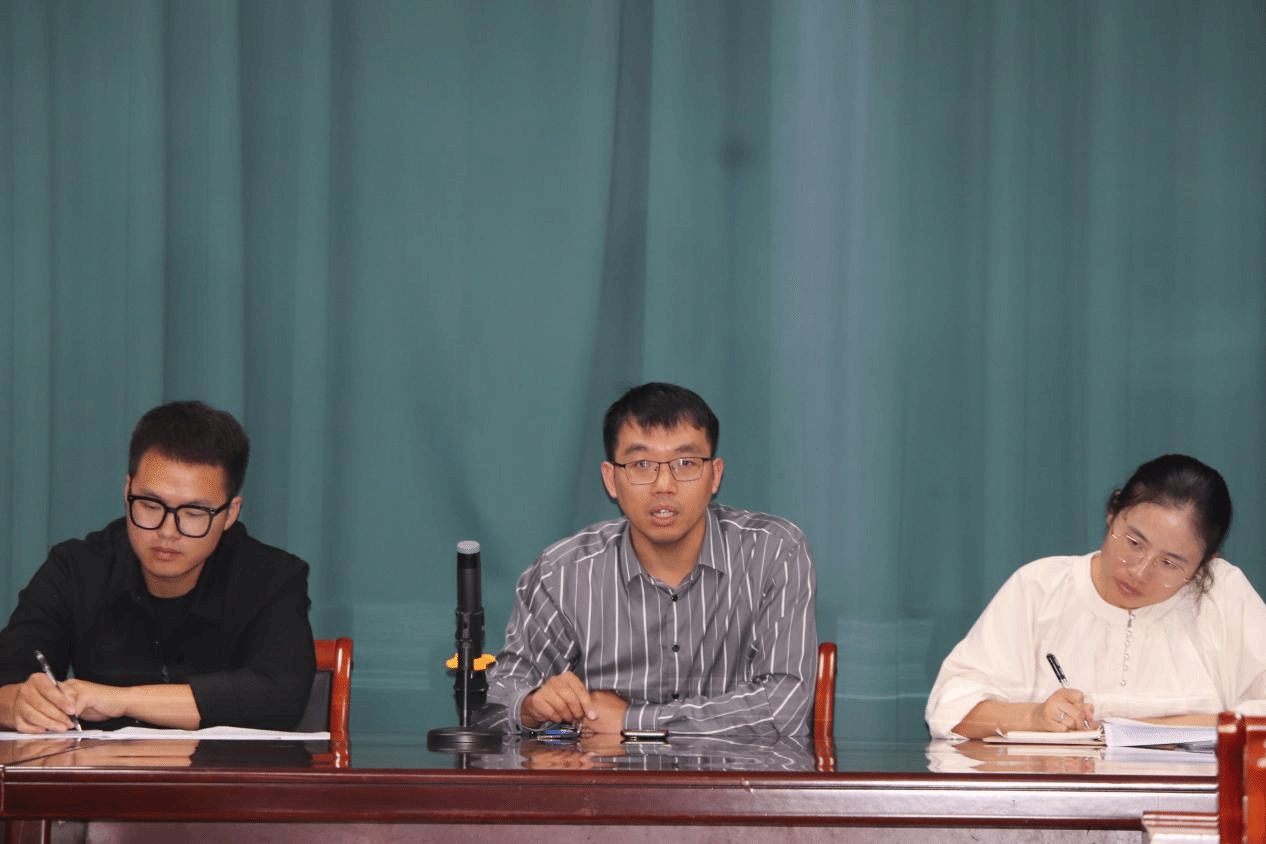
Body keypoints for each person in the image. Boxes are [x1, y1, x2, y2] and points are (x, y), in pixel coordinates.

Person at [485, 382, 818, 737]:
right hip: (601, 774)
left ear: (715, 475)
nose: (664, 485)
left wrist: (633, 721)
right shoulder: (562, 573)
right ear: (611, 480)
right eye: (642, 464)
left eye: (686, 463)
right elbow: (496, 703)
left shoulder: (773, 553)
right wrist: (530, 707)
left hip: (734, 774)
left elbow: (785, 707)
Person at [0, 401, 315, 733]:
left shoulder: (272, 578)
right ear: (127, 492)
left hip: (223, 768)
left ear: (230, 513)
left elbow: (280, 696)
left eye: (193, 513)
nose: (167, 532)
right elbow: (7, 678)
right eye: (150, 505)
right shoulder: (76, 568)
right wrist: (18, 703)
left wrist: (121, 700)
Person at [926, 453, 1266, 740]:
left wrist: (1145, 732)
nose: (1139, 572)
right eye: (1133, 543)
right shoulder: (1041, 588)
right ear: (1113, 511)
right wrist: (1033, 717)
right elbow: (950, 708)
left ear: (1206, 562)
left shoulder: (1223, 596)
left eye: (1169, 563)